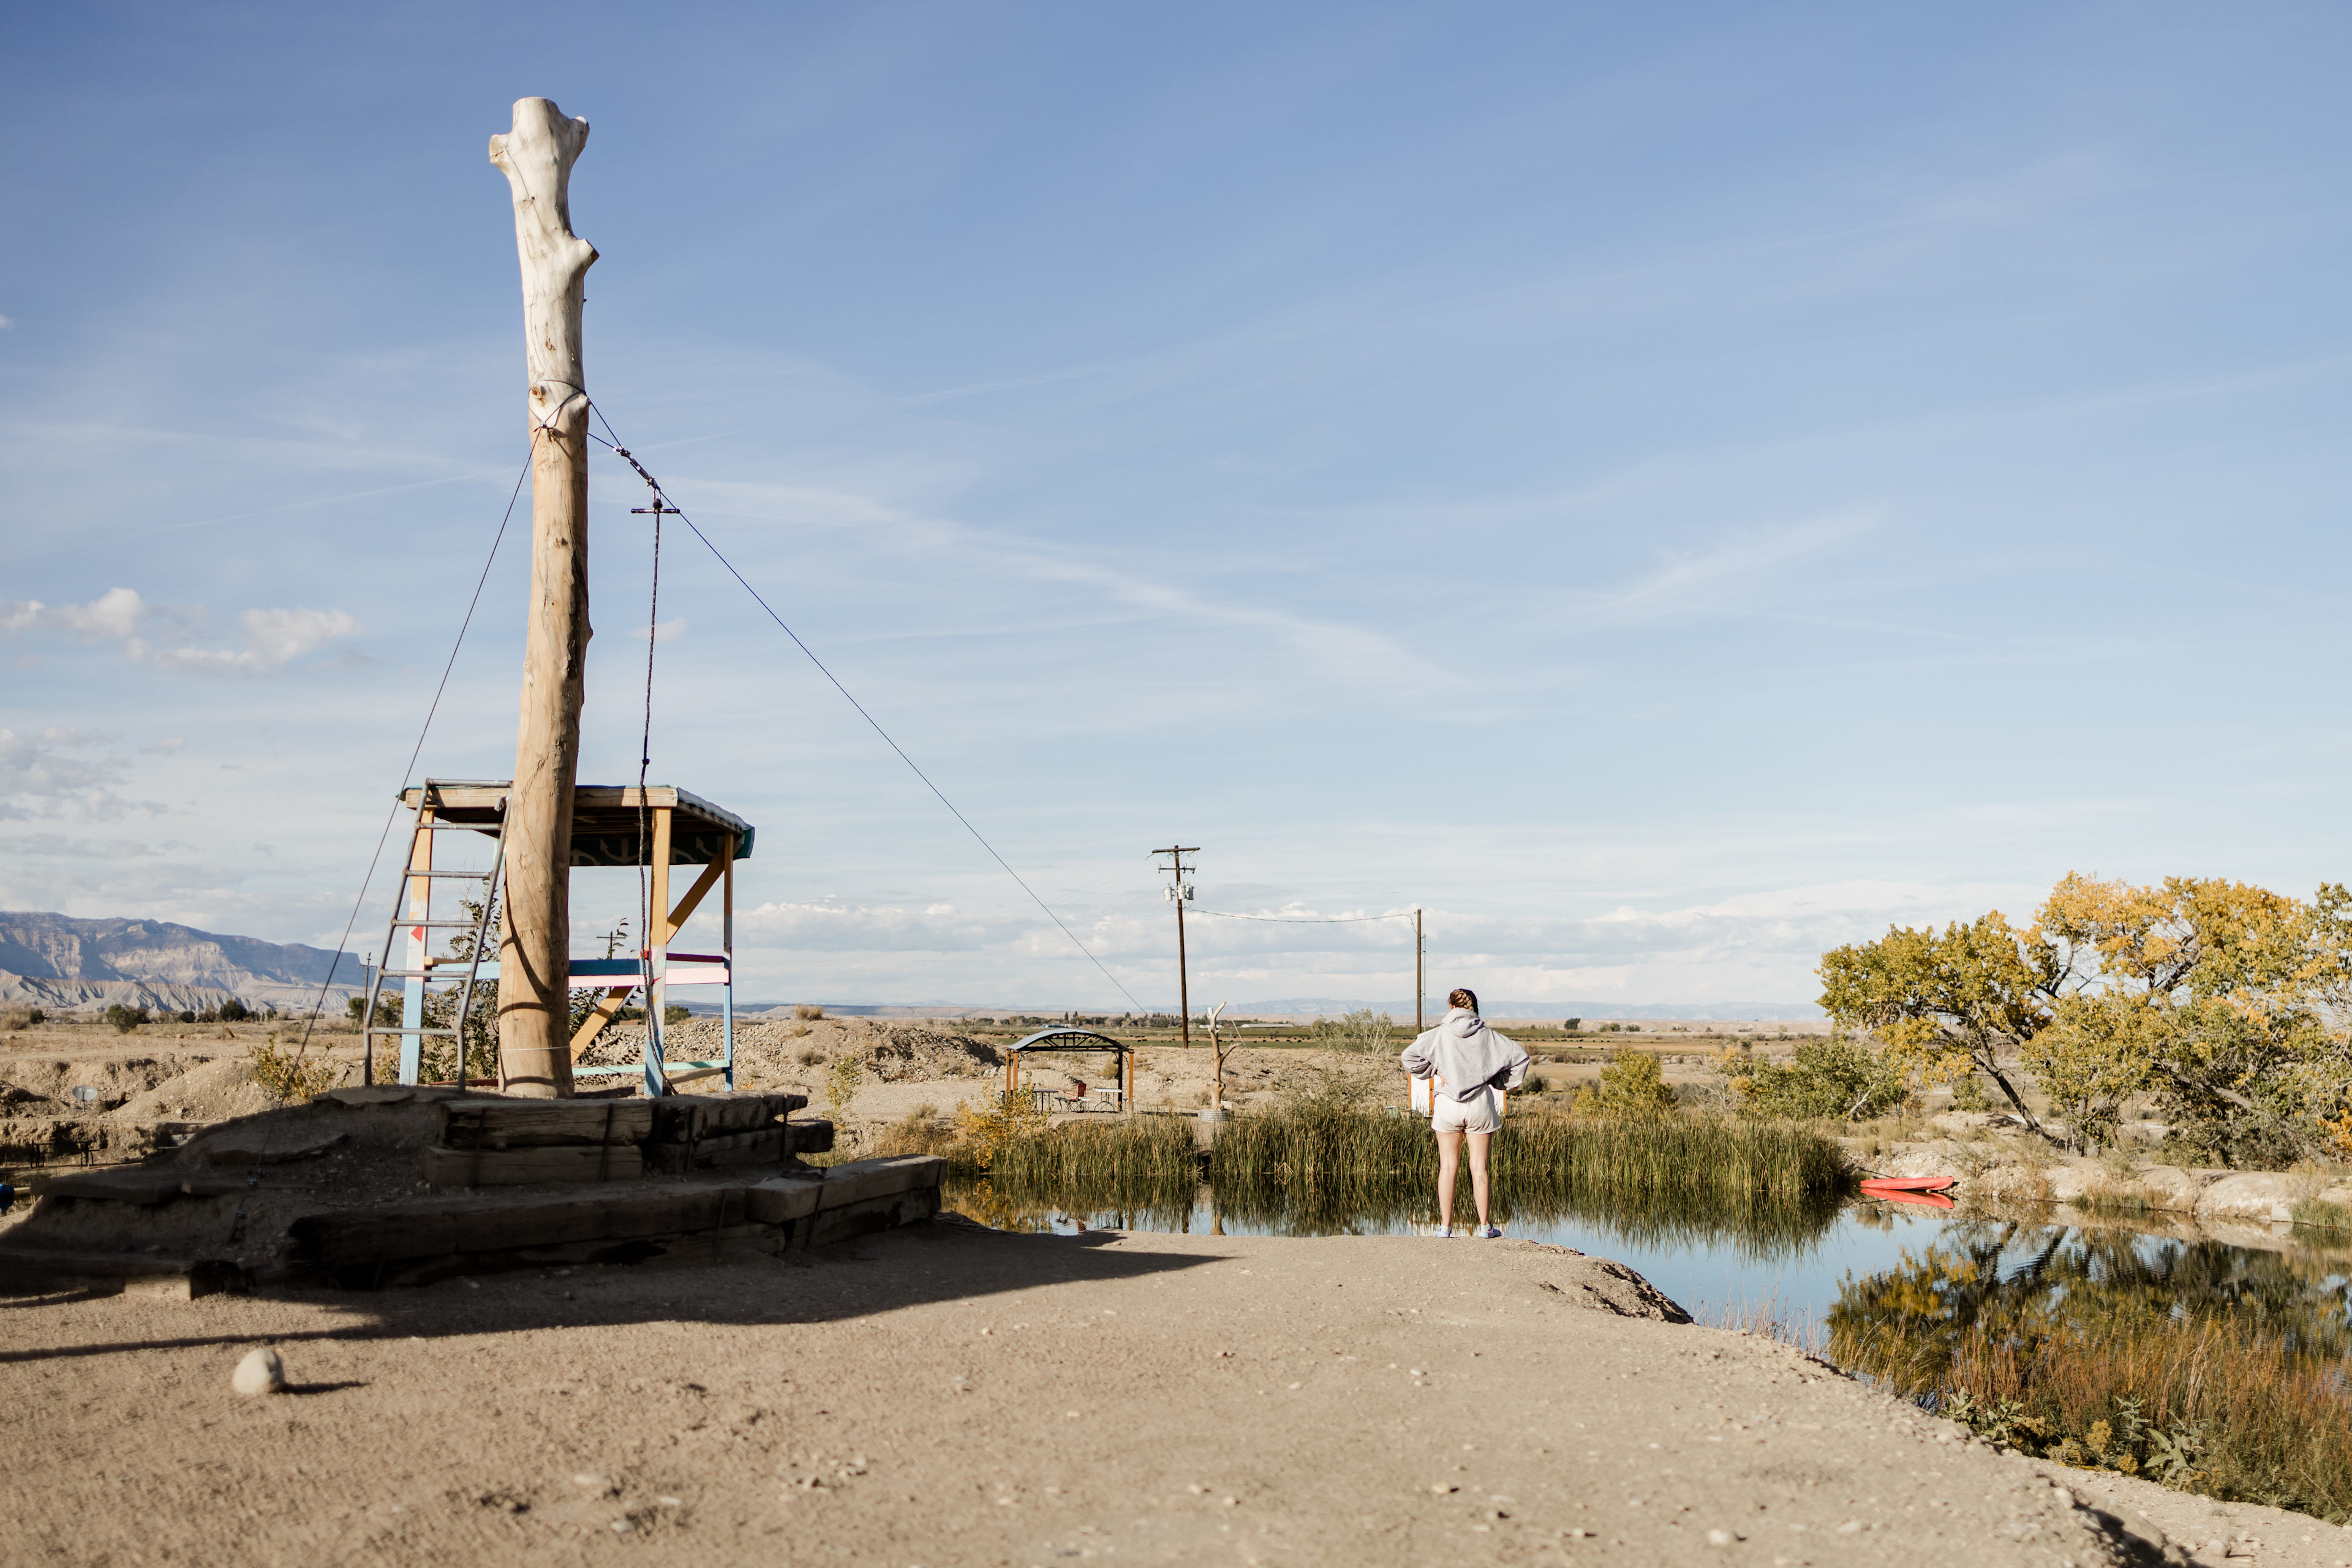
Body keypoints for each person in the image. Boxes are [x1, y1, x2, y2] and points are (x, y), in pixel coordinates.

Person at [1399, 988, 1530, 1237]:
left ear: (1451, 1007)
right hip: (1480, 1104)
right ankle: (1484, 1228)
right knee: (1479, 1167)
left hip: (1448, 1104)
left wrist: (1433, 1072)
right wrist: (1499, 1081)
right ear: (1475, 1008)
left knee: (1448, 1166)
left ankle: (1444, 1228)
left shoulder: (1436, 1036)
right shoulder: (1490, 1037)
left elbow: (1409, 1057)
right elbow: (1521, 1058)